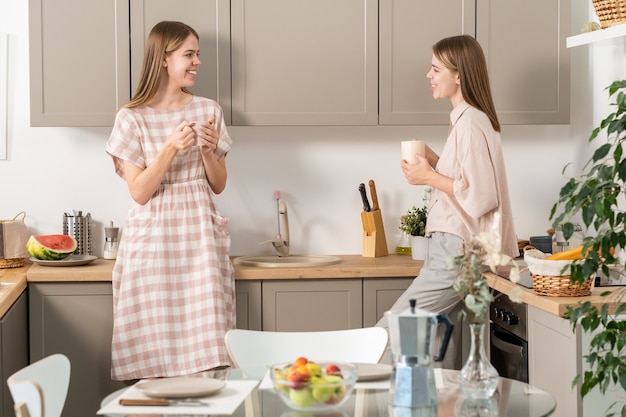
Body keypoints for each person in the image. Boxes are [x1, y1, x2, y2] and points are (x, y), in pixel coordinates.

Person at [376, 34, 518, 368]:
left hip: (457, 251)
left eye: (436, 68)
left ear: (459, 75)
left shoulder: (470, 123)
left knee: (392, 332)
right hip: (456, 250)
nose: (429, 75)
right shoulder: (470, 121)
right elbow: (469, 182)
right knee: (436, 345)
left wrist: (428, 177)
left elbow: (481, 197)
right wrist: (437, 162)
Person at [105, 21, 235, 381]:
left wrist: (208, 151)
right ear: (163, 59)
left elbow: (218, 184)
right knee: (154, 364)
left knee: (208, 359)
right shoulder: (131, 118)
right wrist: (168, 149)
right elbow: (140, 192)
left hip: (200, 246)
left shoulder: (208, 109)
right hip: (154, 249)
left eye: (197, 55)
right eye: (189, 54)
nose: (197, 62)